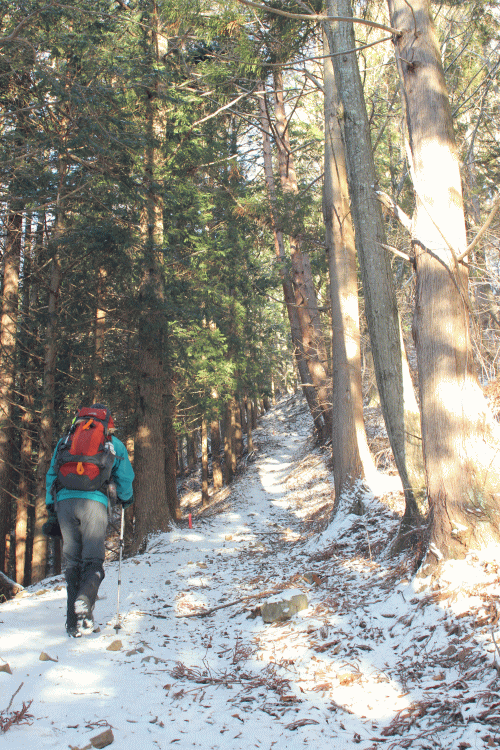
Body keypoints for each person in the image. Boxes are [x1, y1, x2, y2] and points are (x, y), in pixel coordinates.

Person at [45, 404, 134, 637]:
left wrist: (50, 504)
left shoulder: (65, 441)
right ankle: (85, 600)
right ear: (107, 423)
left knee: (73, 563)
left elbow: (52, 474)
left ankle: (73, 623)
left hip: (64, 503)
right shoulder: (112, 444)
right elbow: (125, 476)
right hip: (94, 503)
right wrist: (126, 499)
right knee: (93, 560)